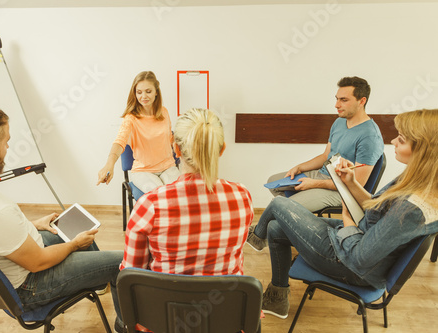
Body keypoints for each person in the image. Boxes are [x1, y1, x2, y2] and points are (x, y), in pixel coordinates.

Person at [0, 104, 126, 332]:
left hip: (9, 267)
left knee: (76, 233)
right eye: (6, 141)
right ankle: (124, 325)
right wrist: (74, 244)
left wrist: (32, 226)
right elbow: (39, 262)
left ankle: (94, 281)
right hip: (29, 287)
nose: (8, 147)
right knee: (123, 262)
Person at [260, 109, 438, 319]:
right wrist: (350, 182)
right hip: (361, 238)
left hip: (352, 266)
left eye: (401, 139)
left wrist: (347, 217)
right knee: (275, 228)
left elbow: (359, 259)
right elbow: (375, 208)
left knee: (280, 203)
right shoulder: (418, 180)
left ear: (424, 150)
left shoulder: (413, 209)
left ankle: (254, 237)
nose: (393, 141)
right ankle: (277, 299)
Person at [247, 76, 384, 251]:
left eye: (343, 100)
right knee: (275, 181)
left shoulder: (370, 136)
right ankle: (285, 226)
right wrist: (300, 167)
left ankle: (261, 235)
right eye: (336, 99)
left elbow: (357, 183)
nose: (336, 105)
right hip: (325, 175)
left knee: (281, 205)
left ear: (361, 101)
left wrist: (314, 184)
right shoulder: (339, 122)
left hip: (342, 190)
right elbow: (326, 155)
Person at [120, 108, 254, 276]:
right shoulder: (242, 196)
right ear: (221, 150)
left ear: (176, 150)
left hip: (165, 301)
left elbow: (131, 276)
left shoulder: (149, 206)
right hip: (226, 301)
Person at [97, 71, 180, 193]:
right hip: (143, 171)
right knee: (160, 196)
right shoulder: (131, 118)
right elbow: (120, 142)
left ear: (156, 92)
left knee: (180, 194)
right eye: (139, 92)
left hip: (168, 167)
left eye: (148, 91)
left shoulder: (164, 112)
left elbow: (170, 139)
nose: (143, 96)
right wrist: (109, 164)